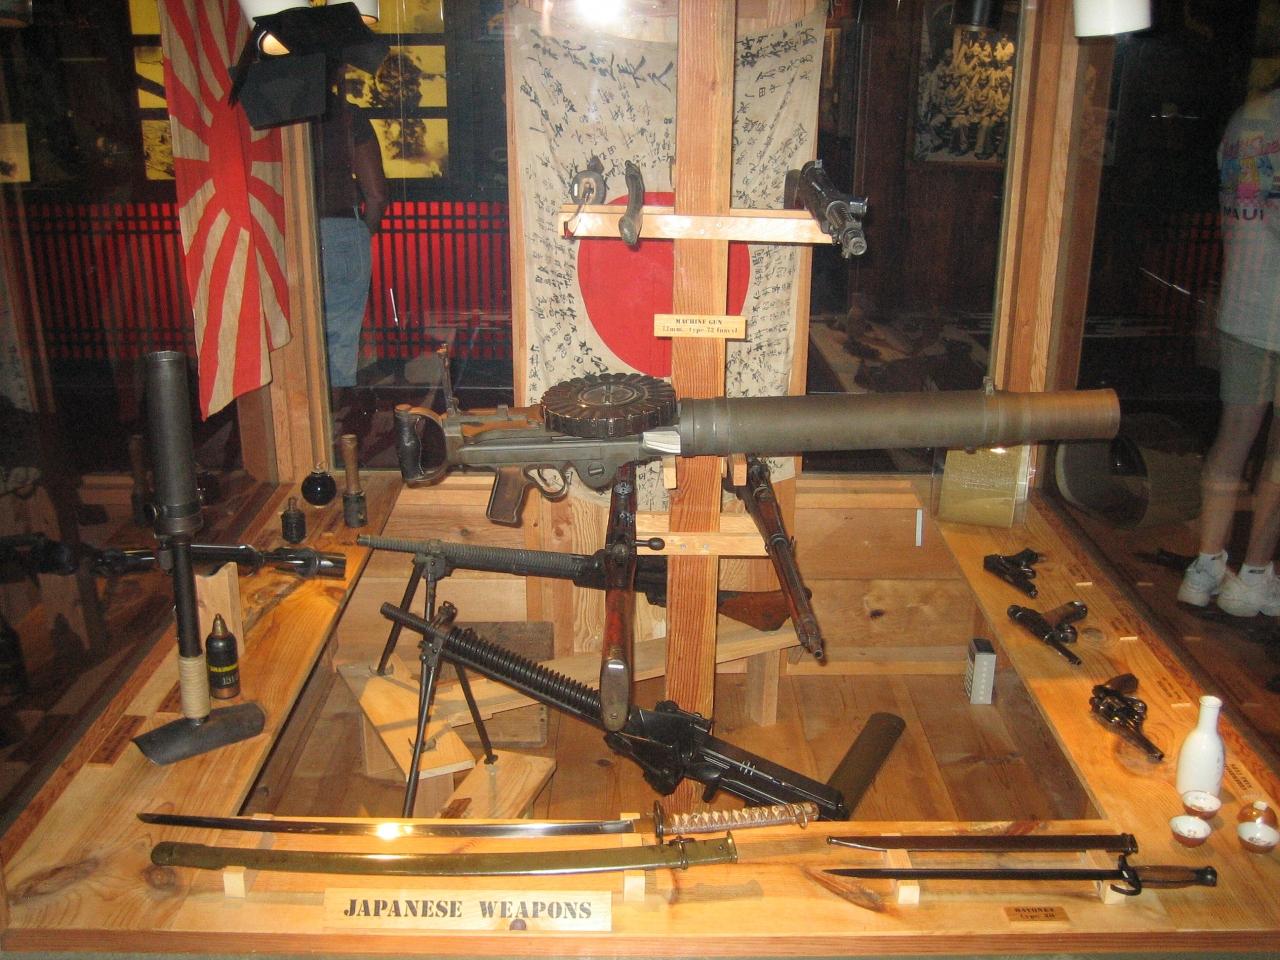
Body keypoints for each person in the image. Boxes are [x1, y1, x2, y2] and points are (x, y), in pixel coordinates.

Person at [1178, 80, 1280, 616]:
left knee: (1233, 437)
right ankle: (1255, 576)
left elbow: (1236, 213)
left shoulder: (1246, 119)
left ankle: (1205, 567)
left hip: (1244, 302)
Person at [314, 74, 388, 408]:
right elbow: (376, 194)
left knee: (297, 338)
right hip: (340, 227)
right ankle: (329, 422)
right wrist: (362, 233)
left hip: (289, 233)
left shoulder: (277, 114)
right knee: (339, 340)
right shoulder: (348, 115)